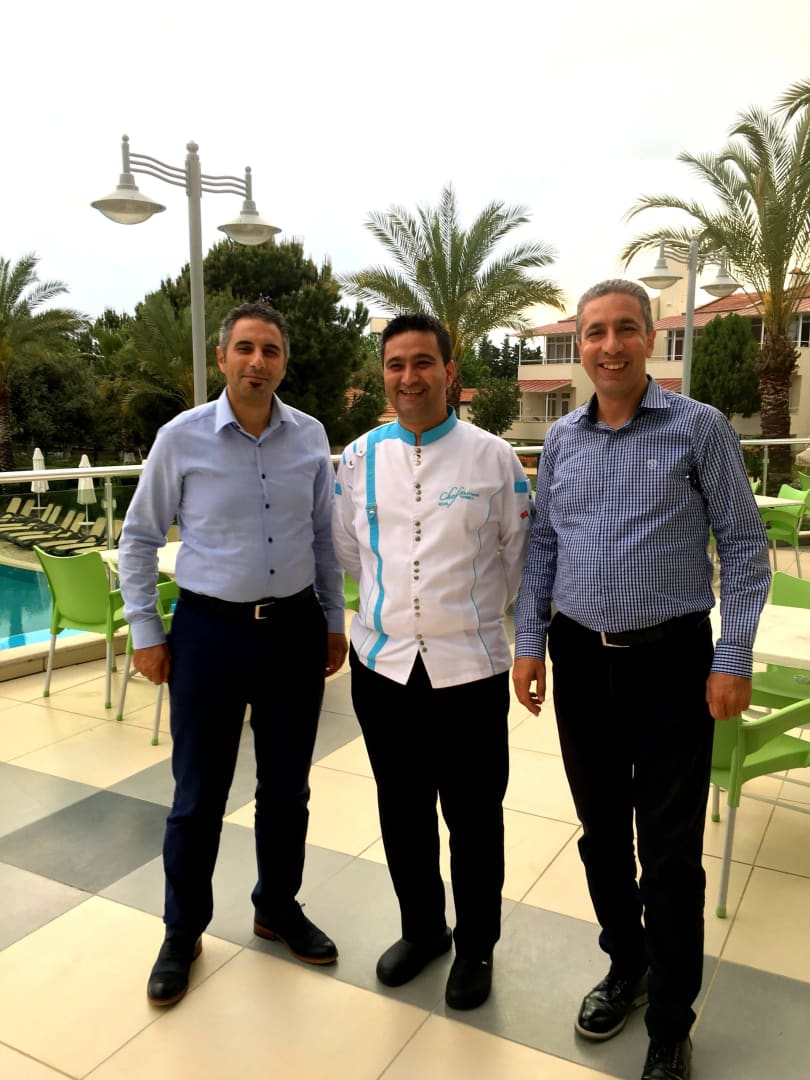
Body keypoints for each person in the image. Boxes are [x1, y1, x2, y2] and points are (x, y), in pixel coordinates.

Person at [513, 280, 770, 1080]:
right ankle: (627, 965)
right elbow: (544, 546)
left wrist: (732, 656)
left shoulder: (699, 428)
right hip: (581, 659)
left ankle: (670, 1020)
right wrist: (529, 643)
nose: (609, 345)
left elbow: (746, 547)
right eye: (594, 332)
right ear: (581, 347)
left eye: (626, 328)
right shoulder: (563, 440)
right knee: (600, 837)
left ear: (651, 339)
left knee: (668, 855)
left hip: (672, 664)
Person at [117, 301, 348, 1007]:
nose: (257, 361)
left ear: (284, 362)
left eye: (270, 350)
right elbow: (139, 538)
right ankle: (181, 930)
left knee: (287, 788)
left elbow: (322, 539)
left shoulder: (310, 437)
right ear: (222, 358)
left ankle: (277, 906)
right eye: (245, 348)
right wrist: (146, 631)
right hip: (209, 634)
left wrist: (332, 620)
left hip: (293, 631)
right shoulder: (181, 437)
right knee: (198, 794)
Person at [332, 312, 532, 1010]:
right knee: (402, 809)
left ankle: (475, 946)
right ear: (383, 374)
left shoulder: (493, 459)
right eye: (396, 364)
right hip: (382, 670)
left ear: (450, 371)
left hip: (469, 672)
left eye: (423, 362)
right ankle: (423, 930)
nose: (409, 377)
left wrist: (467, 617)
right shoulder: (357, 459)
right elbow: (349, 552)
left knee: (474, 819)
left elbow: (518, 558)